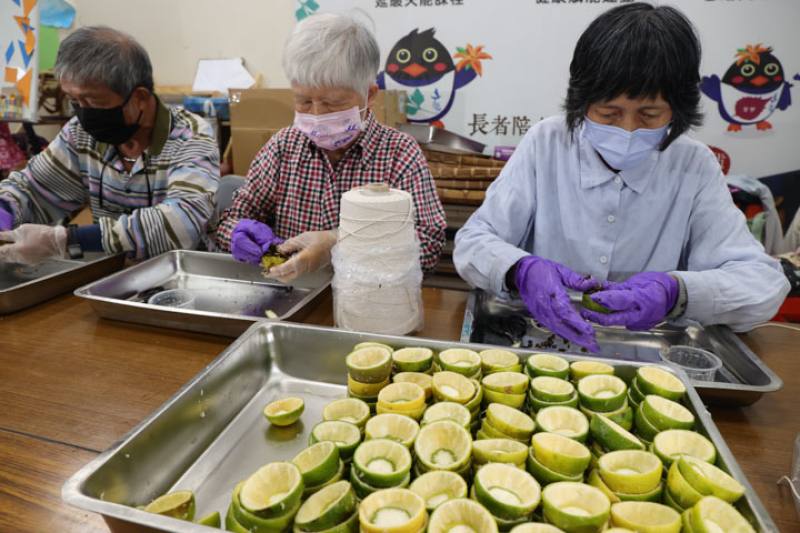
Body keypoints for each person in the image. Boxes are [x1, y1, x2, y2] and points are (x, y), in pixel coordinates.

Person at [453, 3, 790, 352]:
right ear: (581, 103)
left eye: (649, 114)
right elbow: (473, 242)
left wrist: (678, 292)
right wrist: (520, 270)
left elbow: (763, 284)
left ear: (678, 109)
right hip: (544, 346)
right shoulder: (546, 143)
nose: (628, 130)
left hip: (648, 357)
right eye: (608, 113)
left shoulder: (694, 165)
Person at [214, 13, 446, 282]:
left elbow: (429, 247)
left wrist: (339, 244)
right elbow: (232, 220)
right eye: (303, 101)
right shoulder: (283, 147)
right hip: (293, 294)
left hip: (372, 298)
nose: (317, 115)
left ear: (369, 95)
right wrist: (240, 234)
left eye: (332, 103)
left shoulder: (399, 154)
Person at [0, 27, 219, 264]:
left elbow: (181, 225)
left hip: (183, 276)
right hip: (111, 274)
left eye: (95, 101)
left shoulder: (190, 137)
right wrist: (5, 212)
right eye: (75, 101)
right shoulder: (80, 133)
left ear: (140, 97)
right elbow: (33, 190)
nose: (84, 112)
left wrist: (68, 239)